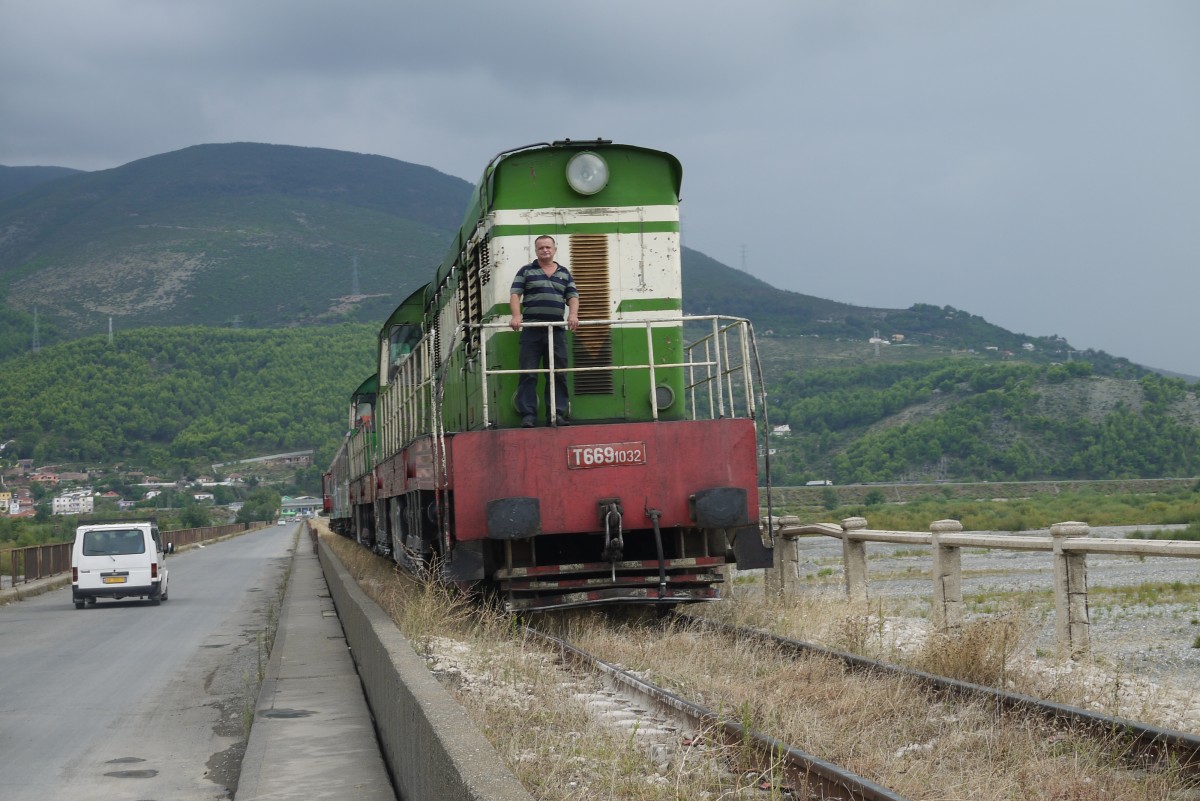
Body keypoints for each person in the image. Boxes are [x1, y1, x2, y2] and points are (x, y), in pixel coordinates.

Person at [509, 235, 579, 427]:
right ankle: (528, 415)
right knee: (528, 372)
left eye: (548, 247)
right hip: (532, 330)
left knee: (558, 373)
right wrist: (516, 316)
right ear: (536, 251)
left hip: (556, 330)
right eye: (541, 248)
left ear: (555, 249)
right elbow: (515, 294)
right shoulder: (526, 271)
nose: (545, 250)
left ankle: (556, 414)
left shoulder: (564, 273)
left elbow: (573, 296)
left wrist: (573, 315)